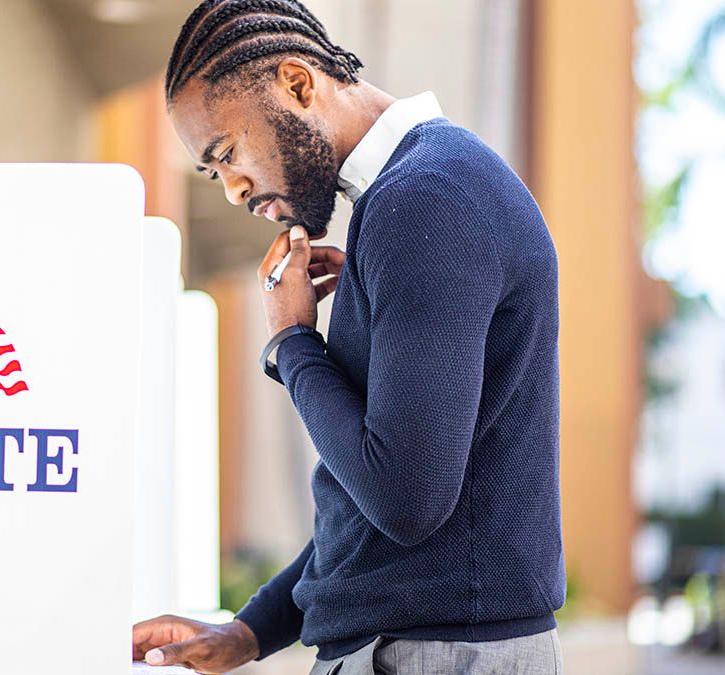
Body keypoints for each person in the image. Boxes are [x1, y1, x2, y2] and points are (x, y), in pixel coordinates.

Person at [132, 1, 565, 672]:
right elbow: (369, 514)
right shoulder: (415, 196)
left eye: (227, 155)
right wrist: (249, 631)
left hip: (435, 655)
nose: (233, 190)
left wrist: (293, 342)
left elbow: (406, 497)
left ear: (299, 84)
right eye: (213, 173)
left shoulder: (425, 199)